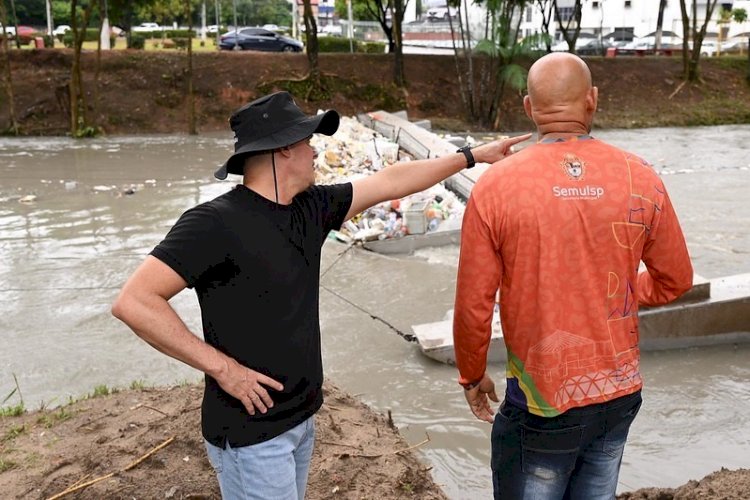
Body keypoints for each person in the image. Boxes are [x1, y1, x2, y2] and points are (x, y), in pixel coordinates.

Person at [111, 90, 530, 500]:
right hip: (252, 434)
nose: (315, 152)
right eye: (307, 142)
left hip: (300, 419)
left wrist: (474, 155)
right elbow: (134, 301)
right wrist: (223, 369)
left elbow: (388, 182)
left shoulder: (310, 208)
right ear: (282, 151)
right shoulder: (213, 223)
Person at [452, 53, 693, 500]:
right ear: (593, 100)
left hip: (541, 402)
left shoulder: (497, 186)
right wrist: (619, 291)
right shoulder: (640, 176)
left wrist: (471, 375)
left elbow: (473, 304)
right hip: (619, 394)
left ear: (529, 107)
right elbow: (674, 281)